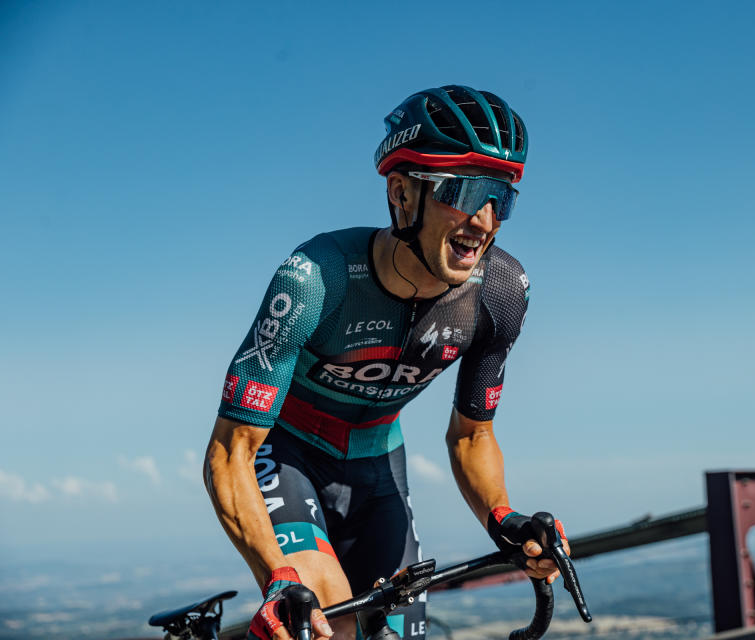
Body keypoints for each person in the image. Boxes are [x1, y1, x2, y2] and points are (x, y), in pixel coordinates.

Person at [203, 85, 569, 640]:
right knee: (326, 617)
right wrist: (275, 577)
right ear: (401, 194)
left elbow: (472, 437)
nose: (485, 219)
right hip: (289, 452)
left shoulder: (499, 291)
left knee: (398, 631)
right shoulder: (314, 280)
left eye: (501, 197)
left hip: (378, 460)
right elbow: (231, 452)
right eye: (464, 192)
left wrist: (504, 519)